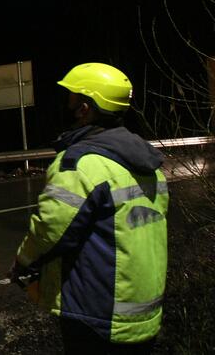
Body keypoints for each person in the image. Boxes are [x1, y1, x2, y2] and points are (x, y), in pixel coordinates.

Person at [10, 62, 169, 354]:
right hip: (144, 313)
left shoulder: (81, 163)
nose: (65, 107)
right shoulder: (149, 165)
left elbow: (52, 228)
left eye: (70, 100)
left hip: (98, 315)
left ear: (85, 108)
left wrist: (23, 261)